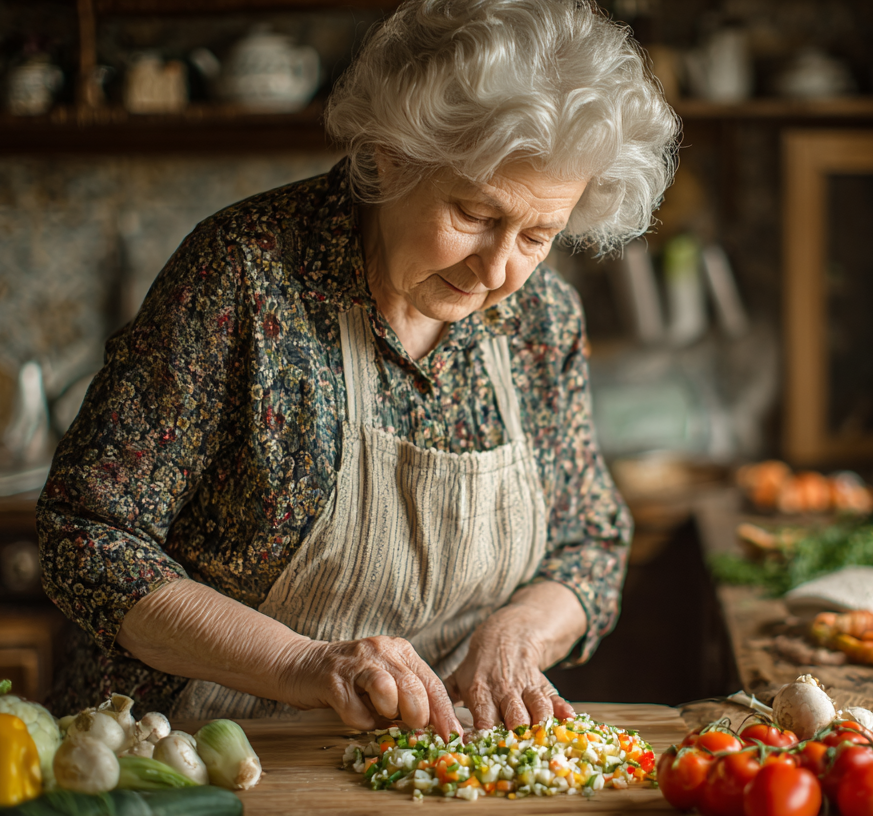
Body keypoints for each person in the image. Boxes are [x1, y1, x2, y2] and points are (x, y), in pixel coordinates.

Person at [37, 0, 679, 736]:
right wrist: (301, 665)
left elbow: (590, 542)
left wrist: (516, 636)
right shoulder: (244, 277)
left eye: (538, 235)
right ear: (388, 157)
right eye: (473, 214)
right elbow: (87, 535)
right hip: (196, 752)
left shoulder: (542, 319)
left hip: (432, 760)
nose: (498, 269)